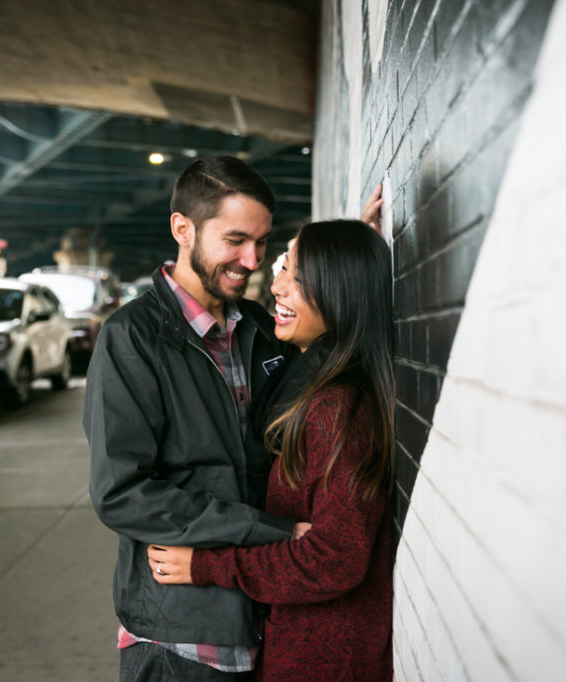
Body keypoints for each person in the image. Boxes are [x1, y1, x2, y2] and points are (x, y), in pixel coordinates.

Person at [85, 154, 385, 681]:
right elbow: (121, 492)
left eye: (263, 243)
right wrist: (272, 531)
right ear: (183, 229)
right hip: (181, 632)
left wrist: (342, 263)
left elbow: (325, 346)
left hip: (260, 617)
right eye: (234, 240)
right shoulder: (132, 339)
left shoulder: (260, 328)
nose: (251, 260)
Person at [147, 219, 396, 680]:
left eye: (297, 276)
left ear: (339, 289)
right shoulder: (312, 383)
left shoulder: (338, 411)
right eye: (284, 268)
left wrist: (206, 565)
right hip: (303, 643)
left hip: (323, 659)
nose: (277, 286)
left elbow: (335, 558)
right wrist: (343, 242)